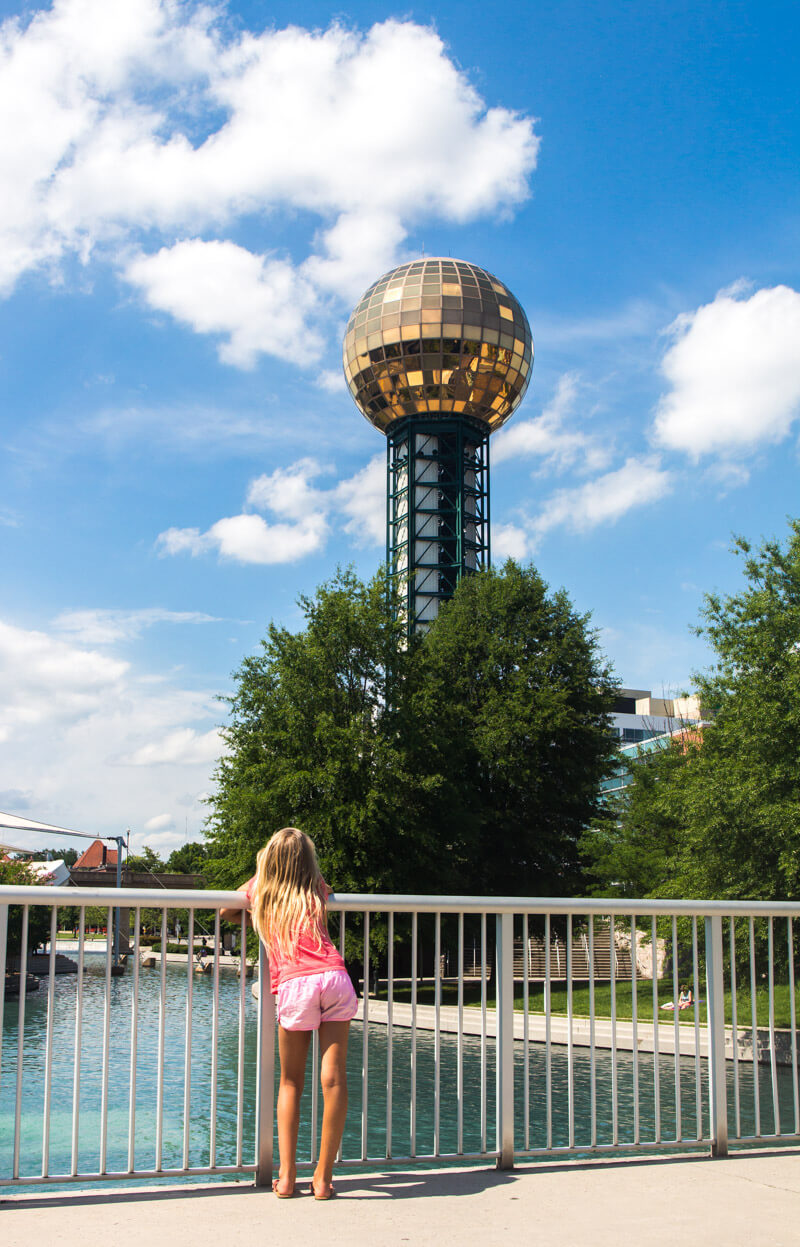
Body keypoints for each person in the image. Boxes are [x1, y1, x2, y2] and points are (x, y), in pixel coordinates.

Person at [220, 827, 357, 1200]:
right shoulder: (315, 887)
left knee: (291, 1082)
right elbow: (320, 885)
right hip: (335, 977)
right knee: (334, 1079)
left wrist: (258, 897)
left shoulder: (262, 891)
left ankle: (286, 1175)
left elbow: (225, 910)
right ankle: (324, 1179)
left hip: (297, 985)